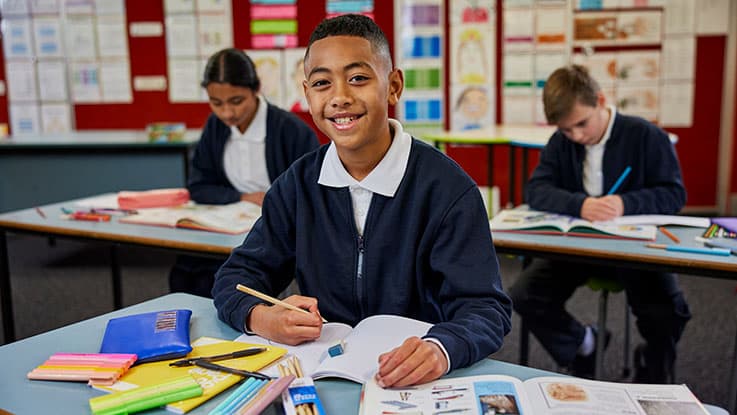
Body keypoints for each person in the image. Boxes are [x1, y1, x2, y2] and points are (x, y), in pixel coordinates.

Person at [212, 14, 512, 388]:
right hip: (323, 372)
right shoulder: (297, 186)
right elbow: (235, 279)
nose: (339, 97)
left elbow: (486, 308)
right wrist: (261, 317)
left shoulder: (448, 190)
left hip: (413, 380)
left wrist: (441, 348)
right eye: (322, 83)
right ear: (307, 94)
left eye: (358, 78)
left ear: (393, 86)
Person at [508, 64, 691, 383]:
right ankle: (585, 344)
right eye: (567, 130)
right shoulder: (561, 142)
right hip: (579, 246)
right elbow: (536, 189)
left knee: (668, 312)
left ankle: (651, 365)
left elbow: (673, 193)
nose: (576, 136)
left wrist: (625, 203)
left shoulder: (646, 136)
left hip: (635, 250)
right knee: (525, 294)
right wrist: (580, 204)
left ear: (601, 101)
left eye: (581, 124)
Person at [169, 48, 319, 297]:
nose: (227, 113)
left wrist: (272, 204)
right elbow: (198, 185)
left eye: (236, 101)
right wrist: (241, 197)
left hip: (273, 231)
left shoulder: (292, 131)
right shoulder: (216, 127)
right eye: (216, 103)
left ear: (256, 88)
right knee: (185, 274)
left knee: (230, 280)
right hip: (226, 227)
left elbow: (311, 195)